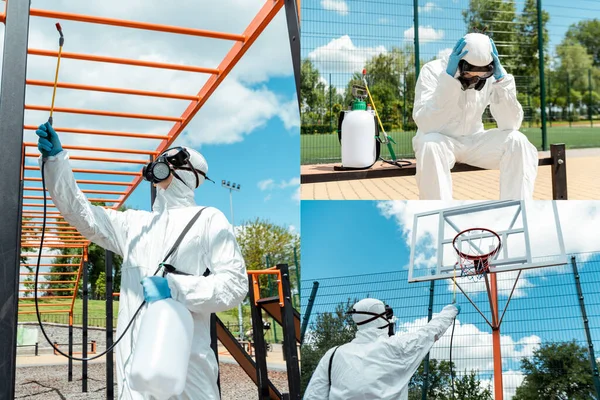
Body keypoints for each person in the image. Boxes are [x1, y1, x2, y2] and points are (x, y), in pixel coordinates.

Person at [36, 122, 248, 400]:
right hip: (135, 367)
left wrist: (176, 288)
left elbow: (235, 285)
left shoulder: (208, 218)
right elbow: (82, 214)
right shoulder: (134, 225)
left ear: (186, 172)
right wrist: (56, 163)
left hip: (188, 367)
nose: (158, 168)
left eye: (166, 163)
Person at [412, 32, 538, 200]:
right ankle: (438, 212)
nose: (476, 77)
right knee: (430, 144)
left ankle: (517, 208)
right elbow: (426, 124)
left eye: (483, 73)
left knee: (518, 141)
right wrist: (448, 80)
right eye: (470, 71)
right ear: (460, 63)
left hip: (474, 141)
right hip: (441, 141)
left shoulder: (495, 75)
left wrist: (502, 82)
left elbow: (511, 123)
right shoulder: (433, 71)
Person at [303, 298, 459, 400]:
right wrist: (450, 311)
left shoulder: (333, 354)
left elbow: (314, 394)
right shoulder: (398, 348)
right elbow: (430, 332)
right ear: (380, 318)